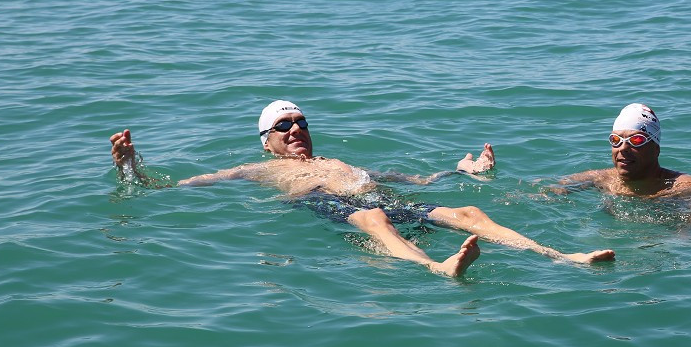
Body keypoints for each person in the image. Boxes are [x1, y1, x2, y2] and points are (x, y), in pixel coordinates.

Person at [110, 100, 614, 277]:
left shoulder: (339, 159)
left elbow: (413, 180)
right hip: (333, 206)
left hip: (381, 198)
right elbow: (171, 188)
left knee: (467, 212)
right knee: (372, 221)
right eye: (283, 127)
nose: (296, 130)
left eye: (302, 122)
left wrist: (462, 171)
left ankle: (561, 256)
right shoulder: (258, 169)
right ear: (267, 143)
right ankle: (438, 268)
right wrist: (131, 168)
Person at [554, 103, 691, 198]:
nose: (623, 148)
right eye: (616, 140)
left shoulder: (683, 188)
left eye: (636, 140)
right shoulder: (600, 178)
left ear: (656, 149)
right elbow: (550, 192)